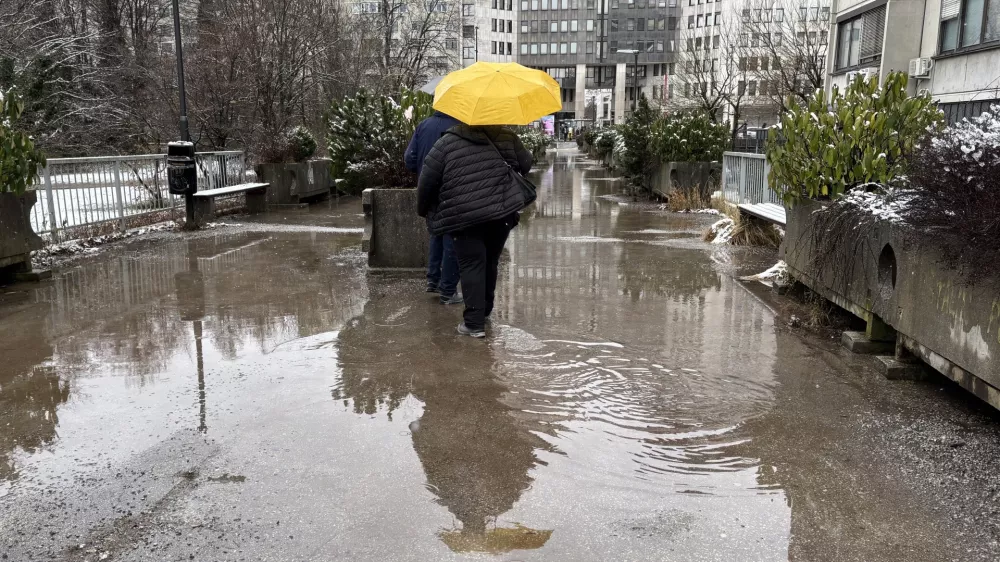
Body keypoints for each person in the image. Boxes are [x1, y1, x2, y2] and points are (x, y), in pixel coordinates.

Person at [417, 124, 532, 338]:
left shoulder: (446, 142)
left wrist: (423, 209)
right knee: (490, 261)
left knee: (471, 263)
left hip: (463, 215)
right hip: (501, 213)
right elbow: (526, 163)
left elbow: (427, 180)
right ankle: (484, 311)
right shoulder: (507, 136)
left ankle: (473, 323)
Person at [405, 110, 463, 305]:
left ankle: (433, 279)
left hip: (428, 188)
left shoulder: (423, 125)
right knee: (452, 236)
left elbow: (409, 159)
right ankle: (448, 289)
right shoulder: (459, 127)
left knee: (435, 232)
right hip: (452, 189)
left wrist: (423, 170)